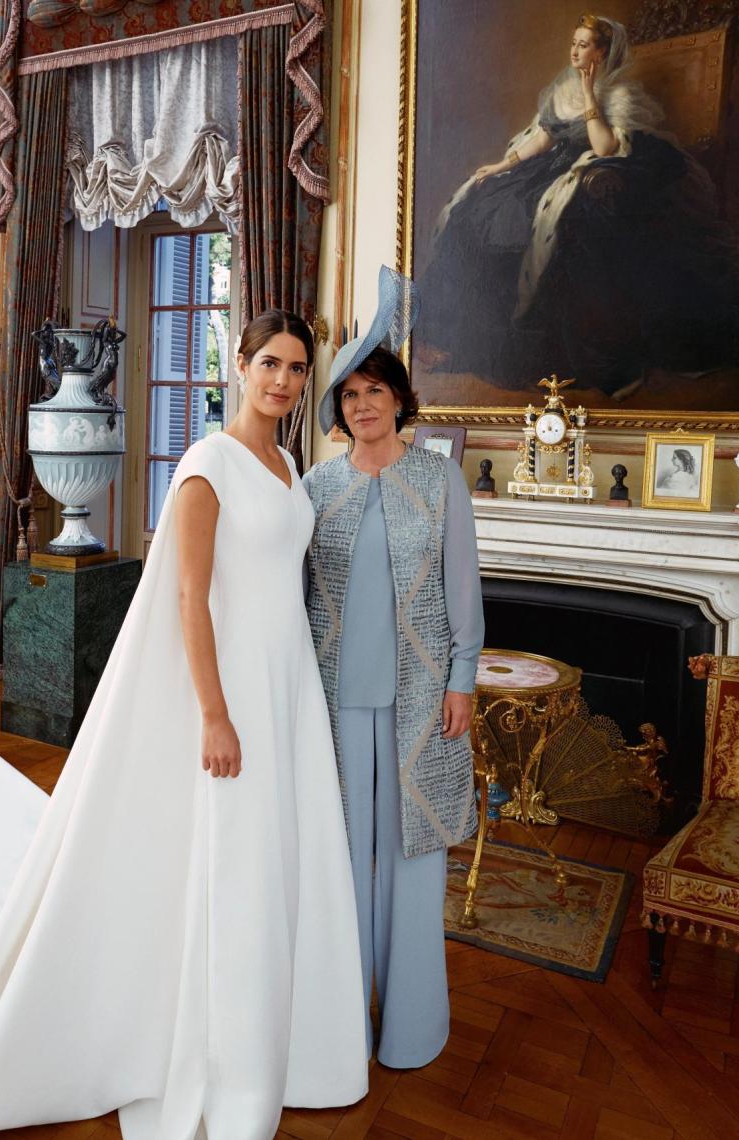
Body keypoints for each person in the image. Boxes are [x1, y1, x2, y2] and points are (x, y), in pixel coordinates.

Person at [0, 311, 368, 1140]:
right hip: (229, 691)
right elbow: (189, 596)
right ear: (240, 366)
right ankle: (222, 1046)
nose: (282, 380)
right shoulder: (207, 464)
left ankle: (290, 1035)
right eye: (268, 363)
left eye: (296, 367)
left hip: (285, 684)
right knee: (235, 854)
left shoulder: (290, 464)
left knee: (280, 849)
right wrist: (214, 715)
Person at [303, 266, 485, 1068]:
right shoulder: (314, 486)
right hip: (333, 698)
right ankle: (338, 1021)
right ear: (336, 410)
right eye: (349, 395)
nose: (363, 405)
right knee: (340, 857)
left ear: (399, 398)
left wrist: (463, 678)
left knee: (414, 858)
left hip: (420, 700)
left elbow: (462, 587)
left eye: (375, 390)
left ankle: (410, 1027)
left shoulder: (439, 478)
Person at [417, 13, 739, 396]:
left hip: (597, 169)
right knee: (480, 204)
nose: (574, 51)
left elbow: (605, 148)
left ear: (602, 52)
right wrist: (502, 164)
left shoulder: (621, 94)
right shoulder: (562, 89)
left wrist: (592, 93)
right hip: (550, 168)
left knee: (553, 221)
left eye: (583, 45)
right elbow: (544, 137)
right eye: (573, 43)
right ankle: (477, 339)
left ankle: (555, 352)